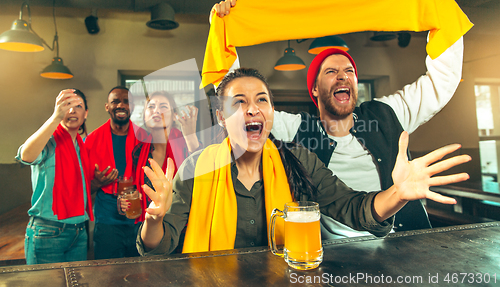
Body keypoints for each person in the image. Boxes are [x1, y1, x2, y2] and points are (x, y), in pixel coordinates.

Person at [211, 0, 464, 238]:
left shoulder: (387, 114)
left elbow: (442, 82)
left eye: (349, 72)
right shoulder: (297, 129)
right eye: (331, 71)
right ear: (315, 90)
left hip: (402, 245)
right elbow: (237, 102)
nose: (343, 77)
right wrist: (223, 27)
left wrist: (439, 8)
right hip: (330, 259)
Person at [136, 68, 470, 255]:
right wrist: (154, 220)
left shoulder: (298, 160)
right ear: (221, 117)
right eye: (239, 103)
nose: (252, 109)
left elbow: (352, 207)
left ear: (270, 111)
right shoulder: (196, 167)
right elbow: (159, 246)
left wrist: (397, 193)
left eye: (262, 100)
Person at [16, 89, 94, 264]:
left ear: (86, 113)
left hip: (79, 232)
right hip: (48, 232)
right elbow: (26, 155)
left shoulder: (81, 147)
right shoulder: (49, 141)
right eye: (67, 106)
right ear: (59, 110)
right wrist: (55, 118)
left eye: (78, 106)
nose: (73, 111)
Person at [85, 86, 147, 259]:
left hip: (139, 218)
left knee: (140, 275)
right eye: (115, 101)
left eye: (127, 102)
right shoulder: (91, 140)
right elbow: (82, 192)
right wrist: (97, 183)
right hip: (107, 221)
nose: (121, 105)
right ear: (107, 106)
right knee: (107, 275)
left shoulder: (145, 138)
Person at [122, 91, 200, 224]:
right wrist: (129, 200)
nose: (156, 110)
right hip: (148, 225)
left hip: (182, 227)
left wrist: (191, 136)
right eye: (151, 107)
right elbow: (132, 187)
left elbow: (202, 176)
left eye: (163, 106)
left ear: (175, 116)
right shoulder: (138, 151)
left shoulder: (187, 143)